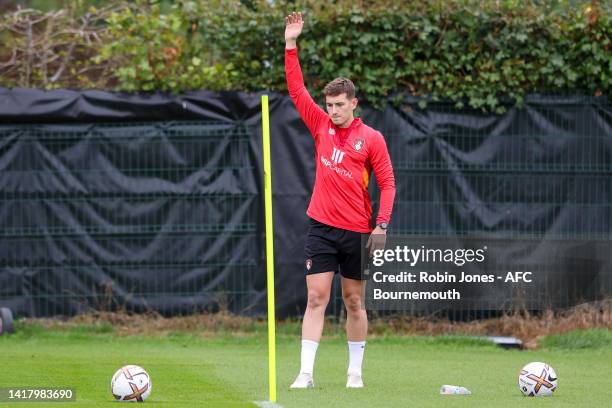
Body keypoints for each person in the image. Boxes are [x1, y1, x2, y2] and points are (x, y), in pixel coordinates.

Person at [285, 11, 396, 389]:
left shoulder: (374, 139)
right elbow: (297, 91)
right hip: (322, 227)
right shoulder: (320, 126)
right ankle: (305, 374)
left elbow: (388, 183)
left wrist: (381, 224)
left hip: (358, 231)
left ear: (354, 104)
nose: (332, 110)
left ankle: (354, 374)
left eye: (339, 105)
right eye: (329, 104)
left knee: (353, 301)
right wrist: (290, 44)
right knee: (316, 298)